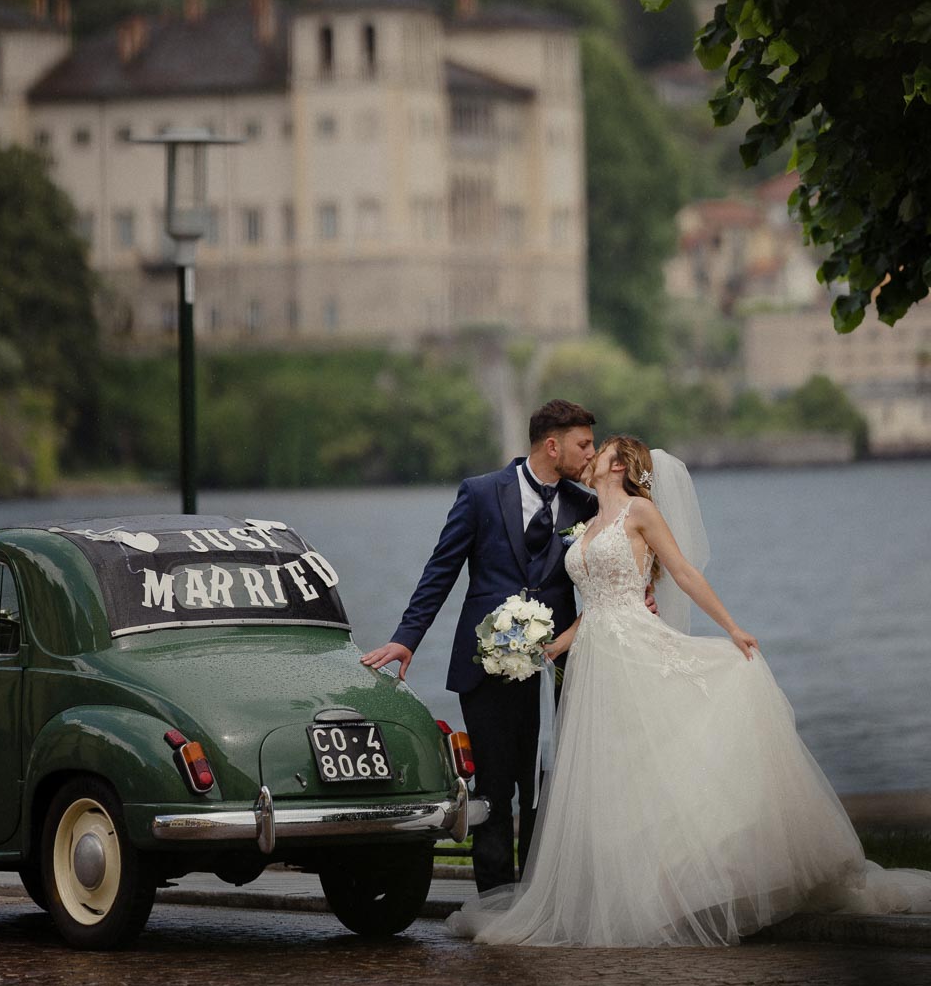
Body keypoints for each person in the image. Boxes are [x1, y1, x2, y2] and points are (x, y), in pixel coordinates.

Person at [450, 436, 931, 946]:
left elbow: (681, 571)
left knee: (654, 763)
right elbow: (594, 607)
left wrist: (732, 627)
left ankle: (680, 887)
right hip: (593, 661)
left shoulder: (639, 512)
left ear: (619, 466)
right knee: (610, 775)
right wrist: (551, 646)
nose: (590, 457)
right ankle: (624, 891)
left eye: (600, 451)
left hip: (633, 648)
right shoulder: (587, 524)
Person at [360, 399, 602, 893]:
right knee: (493, 786)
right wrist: (407, 639)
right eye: (584, 444)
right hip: (485, 664)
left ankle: (538, 897)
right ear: (552, 446)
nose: (591, 454)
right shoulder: (481, 493)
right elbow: (441, 570)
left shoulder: (586, 505)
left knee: (545, 787)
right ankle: (494, 899)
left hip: (556, 666)